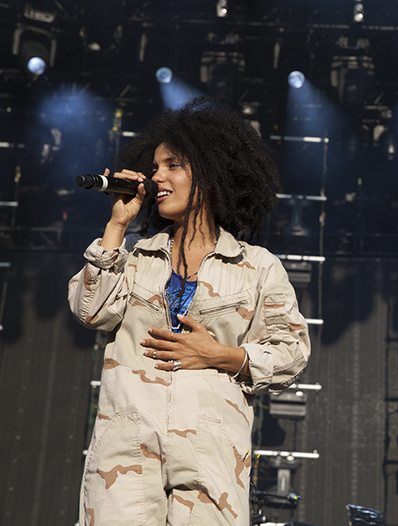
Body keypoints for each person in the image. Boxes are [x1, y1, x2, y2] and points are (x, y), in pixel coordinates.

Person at [68, 97, 311, 525]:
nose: (157, 176)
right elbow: (91, 311)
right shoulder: (137, 257)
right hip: (126, 449)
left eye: (173, 166)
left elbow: (291, 352)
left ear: (211, 177)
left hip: (211, 452)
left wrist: (220, 355)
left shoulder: (256, 266)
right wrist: (117, 225)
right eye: (156, 166)